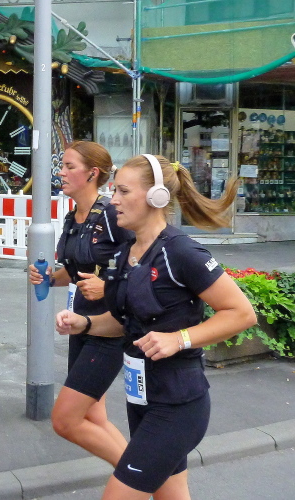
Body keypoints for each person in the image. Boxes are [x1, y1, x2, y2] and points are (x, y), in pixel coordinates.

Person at [55, 154, 256, 500]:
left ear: (156, 197)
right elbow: (124, 322)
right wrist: (85, 323)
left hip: (177, 405)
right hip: (141, 398)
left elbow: (241, 313)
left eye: (123, 191)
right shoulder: (125, 253)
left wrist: (179, 339)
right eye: (114, 191)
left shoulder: (181, 252)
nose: (113, 200)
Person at [29, 141, 131, 467]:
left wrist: (108, 285)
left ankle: (138, 477)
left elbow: (142, 266)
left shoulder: (113, 214)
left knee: (67, 420)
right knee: (94, 416)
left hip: (110, 329)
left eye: (69, 166)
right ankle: (137, 475)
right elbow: (74, 272)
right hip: (82, 326)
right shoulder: (73, 218)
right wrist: (48, 278)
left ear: (92, 173)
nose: (61, 172)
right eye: (62, 165)